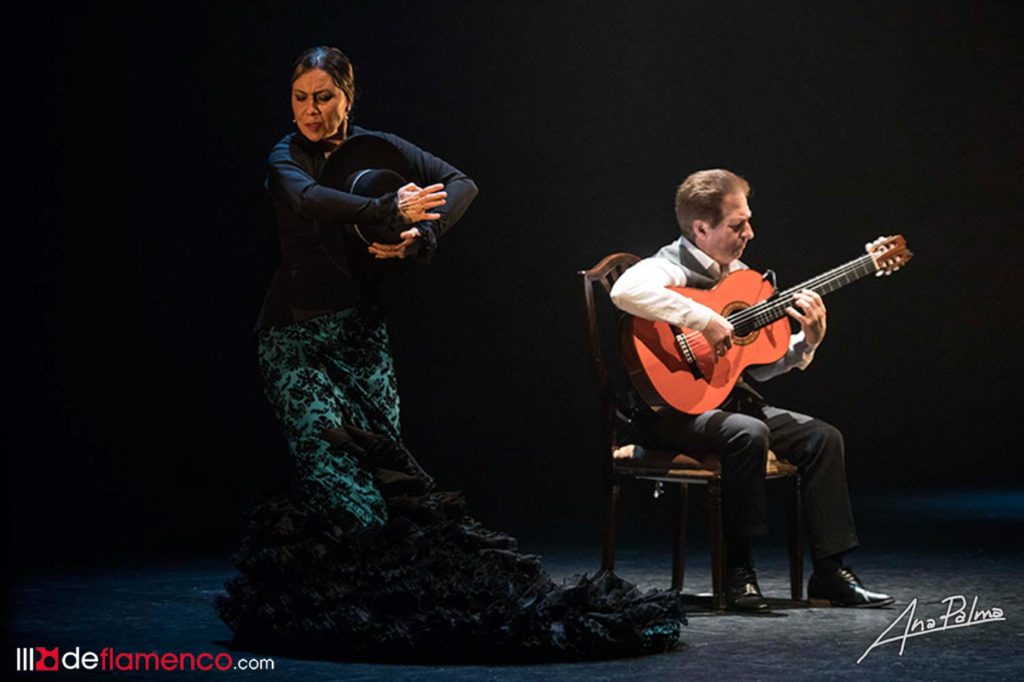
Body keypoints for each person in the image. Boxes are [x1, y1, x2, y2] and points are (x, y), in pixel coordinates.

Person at [217, 46, 684, 662]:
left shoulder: (379, 147)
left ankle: (379, 591)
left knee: (389, 472)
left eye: (324, 97)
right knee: (330, 462)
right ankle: (354, 591)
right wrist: (390, 208)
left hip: (360, 335)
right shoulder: (285, 157)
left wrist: (421, 234)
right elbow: (309, 201)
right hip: (293, 338)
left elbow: (462, 183)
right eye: (301, 98)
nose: (311, 110)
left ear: (348, 97)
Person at [610, 169, 893, 612]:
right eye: (736, 225)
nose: (750, 233)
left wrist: (809, 342)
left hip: (722, 407)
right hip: (666, 416)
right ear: (701, 229)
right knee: (748, 433)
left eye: (748, 221)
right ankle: (737, 575)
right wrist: (704, 319)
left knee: (822, 437)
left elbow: (757, 368)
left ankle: (830, 573)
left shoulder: (741, 278)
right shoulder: (666, 265)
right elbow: (626, 291)